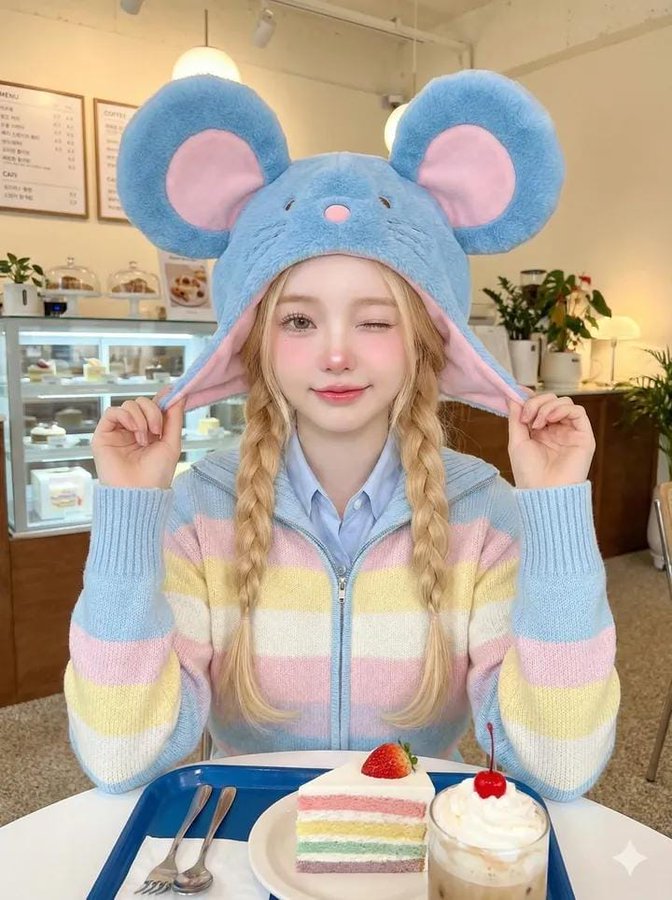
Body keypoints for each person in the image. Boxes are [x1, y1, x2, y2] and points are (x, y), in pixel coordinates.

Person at [64, 70, 619, 798]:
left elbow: (561, 767)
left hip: (414, 846)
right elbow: (117, 757)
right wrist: (131, 515)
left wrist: (555, 514)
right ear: (254, 340)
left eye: (374, 319)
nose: (335, 353)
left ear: (425, 338)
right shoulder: (200, 513)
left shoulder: (485, 515)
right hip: (237, 837)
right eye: (298, 319)